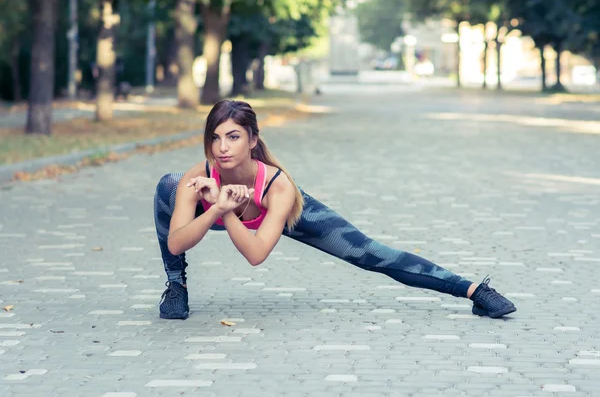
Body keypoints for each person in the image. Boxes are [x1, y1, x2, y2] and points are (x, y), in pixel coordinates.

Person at [154, 100, 517, 320]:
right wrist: (217, 206)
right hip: (214, 209)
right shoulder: (198, 176)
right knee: (166, 185)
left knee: (370, 253)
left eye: (233, 136)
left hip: (283, 215)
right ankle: (176, 286)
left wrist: (228, 211)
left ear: (252, 139)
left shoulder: (278, 186)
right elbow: (176, 244)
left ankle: (472, 291)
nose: (222, 147)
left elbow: (255, 254)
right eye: (214, 138)